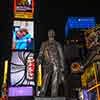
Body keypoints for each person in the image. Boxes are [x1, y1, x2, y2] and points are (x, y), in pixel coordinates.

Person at [37, 29, 65, 96]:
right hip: (47, 63)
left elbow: (61, 55)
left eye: (52, 33)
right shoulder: (44, 43)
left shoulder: (57, 44)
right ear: (48, 34)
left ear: (54, 34)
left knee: (55, 79)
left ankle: (54, 94)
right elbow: (40, 54)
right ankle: (42, 93)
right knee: (45, 78)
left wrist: (62, 66)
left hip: (56, 63)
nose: (51, 34)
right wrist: (39, 59)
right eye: (49, 33)